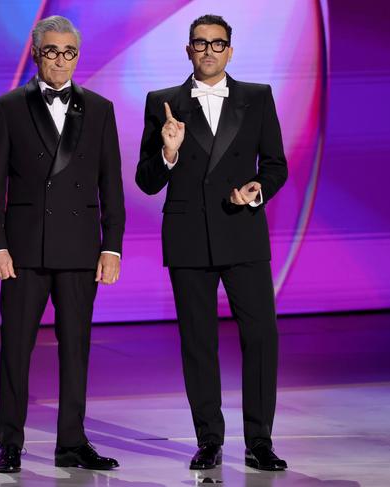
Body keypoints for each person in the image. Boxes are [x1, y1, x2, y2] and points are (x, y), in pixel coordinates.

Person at [135, 14, 288, 471]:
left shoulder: (257, 98)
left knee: (261, 337)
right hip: (189, 238)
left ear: (230, 50)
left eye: (217, 44)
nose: (208, 51)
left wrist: (257, 189)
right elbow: (145, 181)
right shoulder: (163, 103)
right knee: (198, 342)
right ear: (187, 50)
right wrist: (169, 151)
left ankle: (260, 441)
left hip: (242, 231)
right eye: (200, 44)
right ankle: (209, 439)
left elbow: (275, 164)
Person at [0, 15, 125, 473]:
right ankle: (11, 442)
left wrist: (112, 246)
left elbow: (111, 184)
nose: (60, 61)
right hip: (23, 251)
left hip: (82, 250)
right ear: (36, 53)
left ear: (77, 57)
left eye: (69, 53)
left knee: (76, 347)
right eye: (51, 52)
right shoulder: (7, 108)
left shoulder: (99, 109)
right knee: (15, 347)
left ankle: (72, 443)